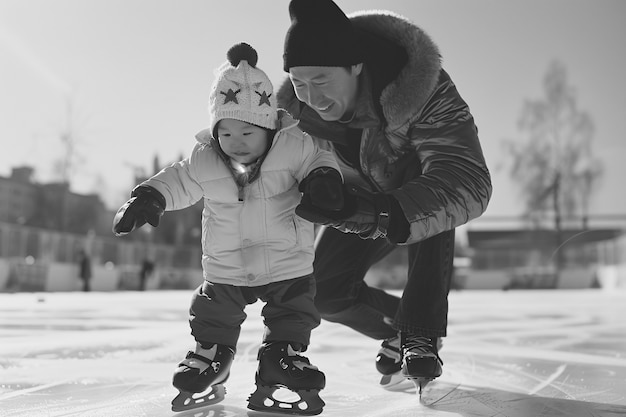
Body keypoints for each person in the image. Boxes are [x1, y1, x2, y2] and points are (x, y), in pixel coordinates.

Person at [112, 43, 344, 414]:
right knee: (212, 309)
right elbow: (179, 179)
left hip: (285, 260)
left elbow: (320, 159)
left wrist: (323, 181)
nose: (236, 144)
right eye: (226, 133)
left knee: (294, 309)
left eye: (247, 134)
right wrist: (149, 197)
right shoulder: (205, 158)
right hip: (227, 265)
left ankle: (279, 359)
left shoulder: (294, 145)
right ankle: (212, 356)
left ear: (268, 127)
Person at [277, 0, 493, 392]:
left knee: (431, 186)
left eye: (322, 81)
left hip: (407, 198)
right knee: (325, 294)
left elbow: (468, 178)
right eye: (299, 83)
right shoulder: (294, 118)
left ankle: (420, 330)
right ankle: (399, 323)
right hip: (358, 202)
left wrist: (380, 212)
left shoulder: (422, 88)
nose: (312, 97)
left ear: (356, 66)